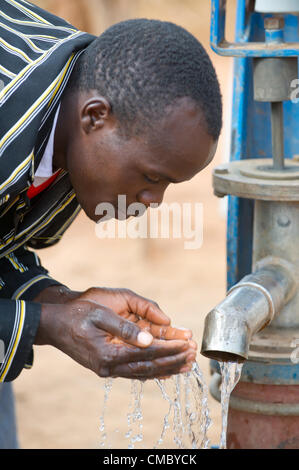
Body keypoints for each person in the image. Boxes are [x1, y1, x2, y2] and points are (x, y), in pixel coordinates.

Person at [0, 0, 222, 448]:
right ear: (96, 117)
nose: (153, 202)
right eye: (151, 176)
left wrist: (63, 302)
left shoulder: (72, 101)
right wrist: (44, 324)